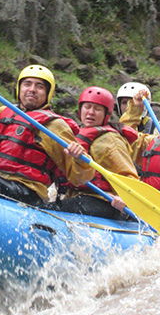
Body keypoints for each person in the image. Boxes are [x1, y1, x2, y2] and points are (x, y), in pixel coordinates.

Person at [0, 64, 94, 207]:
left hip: (25, 191)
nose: (32, 89)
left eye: (39, 86)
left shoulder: (54, 126)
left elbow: (79, 177)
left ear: (48, 93)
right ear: (19, 88)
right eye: (27, 84)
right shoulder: (4, 112)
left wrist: (79, 158)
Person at [57, 86, 140, 221]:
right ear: (80, 110)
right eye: (87, 107)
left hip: (103, 200)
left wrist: (124, 198)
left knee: (53, 209)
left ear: (106, 114)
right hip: (77, 196)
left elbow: (129, 176)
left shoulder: (110, 140)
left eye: (97, 109)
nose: (91, 112)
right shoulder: (74, 135)